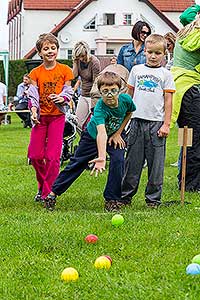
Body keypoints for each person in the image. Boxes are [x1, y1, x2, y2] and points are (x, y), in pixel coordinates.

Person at [45, 71, 136, 212]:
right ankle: (52, 194)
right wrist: (101, 157)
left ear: (120, 90)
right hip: (93, 136)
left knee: (118, 160)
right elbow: (101, 133)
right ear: (100, 92)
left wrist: (118, 133)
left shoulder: (126, 100)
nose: (110, 95)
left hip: (115, 136)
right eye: (105, 91)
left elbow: (129, 113)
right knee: (77, 163)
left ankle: (111, 200)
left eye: (113, 90)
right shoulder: (100, 108)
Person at [121, 34, 176, 208]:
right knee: (132, 163)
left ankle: (153, 199)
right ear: (144, 51)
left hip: (156, 125)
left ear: (164, 54)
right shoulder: (136, 70)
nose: (153, 56)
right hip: (136, 122)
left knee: (156, 165)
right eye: (150, 52)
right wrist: (122, 118)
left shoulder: (166, 74)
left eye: (158, 53)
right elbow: (128, 97)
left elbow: (168, 102)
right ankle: (125, 196)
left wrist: (166, 124)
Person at [27, 33, 74, 202]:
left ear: (57, 50)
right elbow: (32, 95)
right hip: (40, 119)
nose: (50, 51)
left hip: (57, 117)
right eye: (46, 48)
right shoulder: (35, 73)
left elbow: (68, 90)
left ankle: (47, 193)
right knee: (35, 156)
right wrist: (33, 110)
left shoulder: (65, 70)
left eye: (53, 48)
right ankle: (42, 186)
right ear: (39, 52)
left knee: (53, 157)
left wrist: (63, 98)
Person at [170, 6, 200, 192]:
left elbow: (186, 15)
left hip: (178, 90)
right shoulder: (197, 36)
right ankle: (192, 185)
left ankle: (183, 178)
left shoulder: (185, 32)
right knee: (195, 138)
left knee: (186, 137)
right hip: (191, 91)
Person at [72, 41, 101, 131]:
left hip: (93, 96)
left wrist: (93, 102)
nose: (81, 59)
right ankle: (84, 141)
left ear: (87, 53)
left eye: (83, 56)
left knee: (94, 124)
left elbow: (96, 82)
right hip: (83, 94)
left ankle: (94, 143)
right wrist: (75, 62)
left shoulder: (94, 62)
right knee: (77, 123)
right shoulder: (78, 61)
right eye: (79, 56)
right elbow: (74, 76)